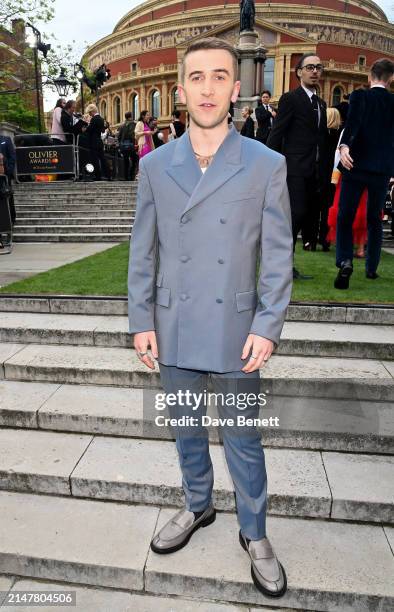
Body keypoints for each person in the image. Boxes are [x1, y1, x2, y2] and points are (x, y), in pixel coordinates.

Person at [128, 36, 293, 598]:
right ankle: (197, 506)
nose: (208, 88)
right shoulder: (154, 166)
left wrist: (267, 326)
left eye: (219, 76)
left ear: (236, 87)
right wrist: (141, 319)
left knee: (244, 438)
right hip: (172, 328)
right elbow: (141, 250)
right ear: (180, 90)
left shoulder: (266, 164)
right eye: (197, 77)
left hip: (237, 331)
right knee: (185, 429)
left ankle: (255, 532)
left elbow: (277, 256)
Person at [267, 54, 328, 280]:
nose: (315, 71)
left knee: (303, 218)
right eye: (310, 67)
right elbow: (277, 133)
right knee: (294, 215)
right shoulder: (290, 99)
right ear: (299, 72)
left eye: (318, 67)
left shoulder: (321, 104)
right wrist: (270, 166)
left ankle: (285, 266)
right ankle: (282, 267)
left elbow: (321, 139)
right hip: (293, 169)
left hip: (314, 171)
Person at [334, 58, 394, 289]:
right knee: (374, 218)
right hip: (381, 169)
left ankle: (345, 260)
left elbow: (353, 123)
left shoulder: (359, 96)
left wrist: (344, 146)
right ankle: (371, 268)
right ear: (390, 79)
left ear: (370, 77)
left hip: (354, 164)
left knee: (345, 215)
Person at [85, 103, 111, 181]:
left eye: (90, 113)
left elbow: (90, 130)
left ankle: (98, 176)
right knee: (103, 159)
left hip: (94, 142)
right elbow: (102, 129)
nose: (89, 114)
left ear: (92, 111)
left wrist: (86, 128)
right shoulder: (101, 119)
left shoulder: (94, 119)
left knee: (95, 159)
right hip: (99, 141)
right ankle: (108, 175)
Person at [0, 134, 16, 246]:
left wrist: (8, 171)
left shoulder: (6, 140)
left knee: (8, 200)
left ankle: (11, 223)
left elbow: (12, 156)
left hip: (4, 177)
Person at [118, 112, 138, 181]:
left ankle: (126, 177)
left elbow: (119, 137)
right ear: (131, 116)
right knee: (134, 160)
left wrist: (121, 144)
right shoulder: (133, 124)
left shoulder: (121, 126)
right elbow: (132, 135)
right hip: (130, 145)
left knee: (125, 161)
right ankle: (131, 176)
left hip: (123, 146)